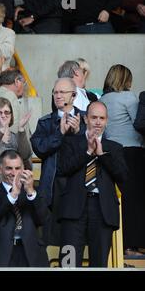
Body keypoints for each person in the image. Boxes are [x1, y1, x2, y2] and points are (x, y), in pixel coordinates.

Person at [58, 101, 127, 267]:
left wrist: (101, 154)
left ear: (107, 120)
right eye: (94, 117)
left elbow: (123, 176)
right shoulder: (71, 142)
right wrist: (88, 152)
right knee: (69, 263)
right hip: (74, 209)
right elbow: (63, 169)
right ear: (85, 119)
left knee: (99, 264)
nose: (97, 121)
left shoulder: (115, 147)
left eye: (101, 118)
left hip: (102, 210)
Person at [30, 78, 86, 245]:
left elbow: (91, 150)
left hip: (77, 185)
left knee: (74, 241)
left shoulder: (85, 120)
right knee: (50, 238)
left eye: (63, 92)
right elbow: (39, 148)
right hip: (53, 186)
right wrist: (59, 133)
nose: (58, 95)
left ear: (74, 95)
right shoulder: (45, 121)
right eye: (55, 92)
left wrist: (78, 134)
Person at [99, 64, 145, 256]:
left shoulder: (102, 100)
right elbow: (140, 122)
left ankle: (120, 245)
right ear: (126, 80)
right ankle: (133, 246)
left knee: (119, 199)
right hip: (133, 152)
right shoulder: (129, 97)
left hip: (111, 153)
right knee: (134, 200)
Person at [0, 150, 49, 267]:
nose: (14, 173)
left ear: (23, 169)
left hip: (30, 254)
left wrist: (30, 192)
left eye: (17, 168)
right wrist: (12, 195)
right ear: (0, 169)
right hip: (1, 254)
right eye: (9, 168)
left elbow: (43, 219)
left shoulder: (34, 191)